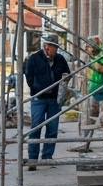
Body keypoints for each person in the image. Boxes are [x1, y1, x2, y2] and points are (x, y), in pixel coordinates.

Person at [23, 34, 71, 170]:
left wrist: (62, 88)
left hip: (54, 100)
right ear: (47, 46)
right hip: (39, 98)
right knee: (36, 126)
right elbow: (28, 75)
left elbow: (66, 75)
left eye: (55, 48)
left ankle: (47, 157)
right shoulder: (34, 58)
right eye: (52, 47)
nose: (53, 50)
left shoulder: (60, 60)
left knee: (52, 128)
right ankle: (33, 158)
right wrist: (35, 87)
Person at [74, 38, 103, 152]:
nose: (90, 49)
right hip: (93, 92)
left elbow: (102, 69)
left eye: (92, 46)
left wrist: (92, 63)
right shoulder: (90, 58)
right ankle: (86, 143)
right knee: (89, 118)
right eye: (88, 47)